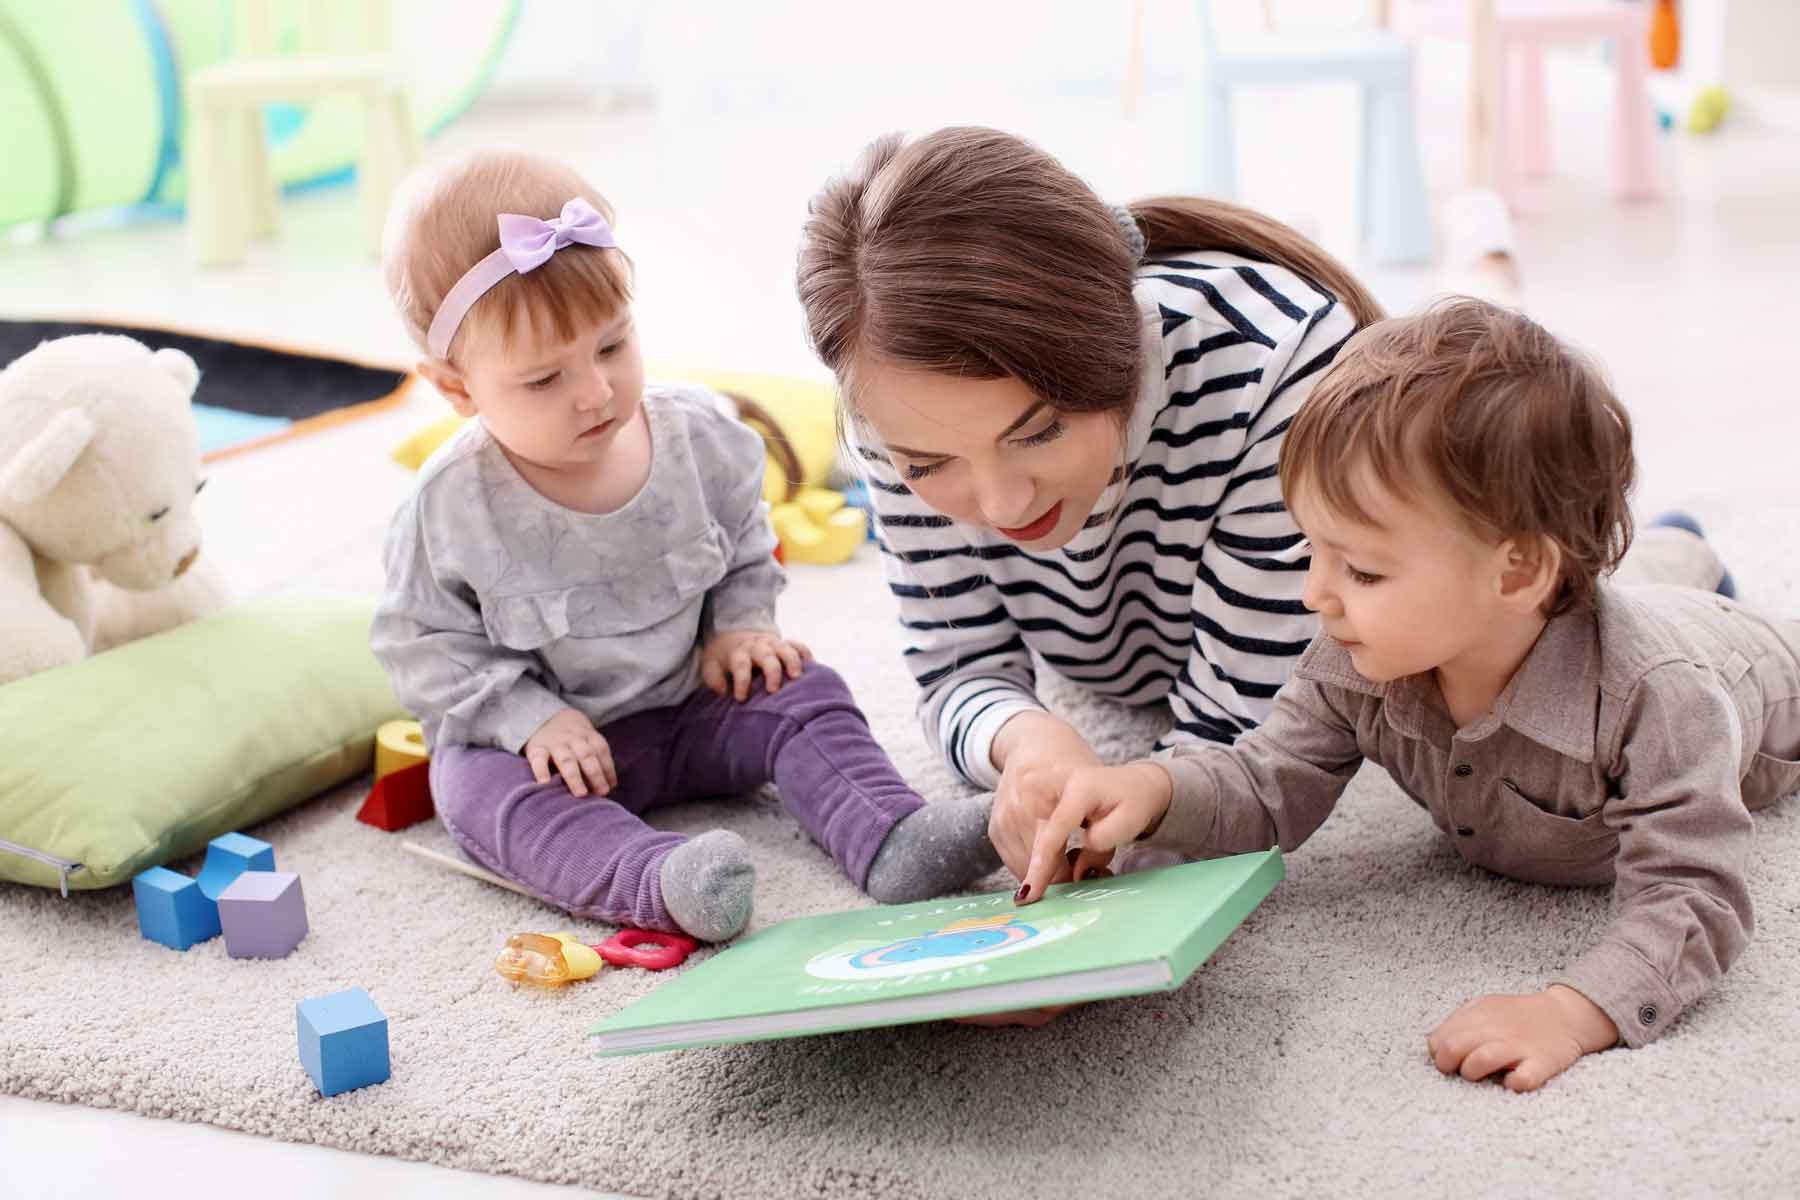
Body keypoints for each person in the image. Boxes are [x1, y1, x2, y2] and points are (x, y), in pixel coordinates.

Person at [1013, 298, 1798, 1090]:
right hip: (1590, 606)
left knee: (1669, 611)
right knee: (1648, 578)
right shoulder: (1357, 659)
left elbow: (1696, 891)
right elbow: (1266, 780)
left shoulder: (1660, 701)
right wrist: (1149, 788)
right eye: (1311, 549)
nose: (1316, 593)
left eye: (1361, 570)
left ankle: (1682, 552)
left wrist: (1573, 1010)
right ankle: (1677, 543)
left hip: (1751, 668)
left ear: (1518, 571)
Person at [371, 151, 996, 942]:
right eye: (543, 380)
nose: (595, 392)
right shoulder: (448, 506)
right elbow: (420, 644)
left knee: (805, 688)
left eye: (610, 346)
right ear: (457, 388)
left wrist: (740, 627)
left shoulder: (700, 436)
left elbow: (742, 539)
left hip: (697, 700)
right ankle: (663, 882)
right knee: (472, 791)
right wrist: (528, 718)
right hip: (552, 749)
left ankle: (891, 835)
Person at [795, 126, 1383, 885]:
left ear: (1119, 349)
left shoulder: (1279, 372)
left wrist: (1097, 884)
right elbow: (956, 665)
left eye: (1038, 431)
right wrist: (1026, 741)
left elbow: (1247, 747)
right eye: (932, 465)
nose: (1003, 505)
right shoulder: (892, 402)